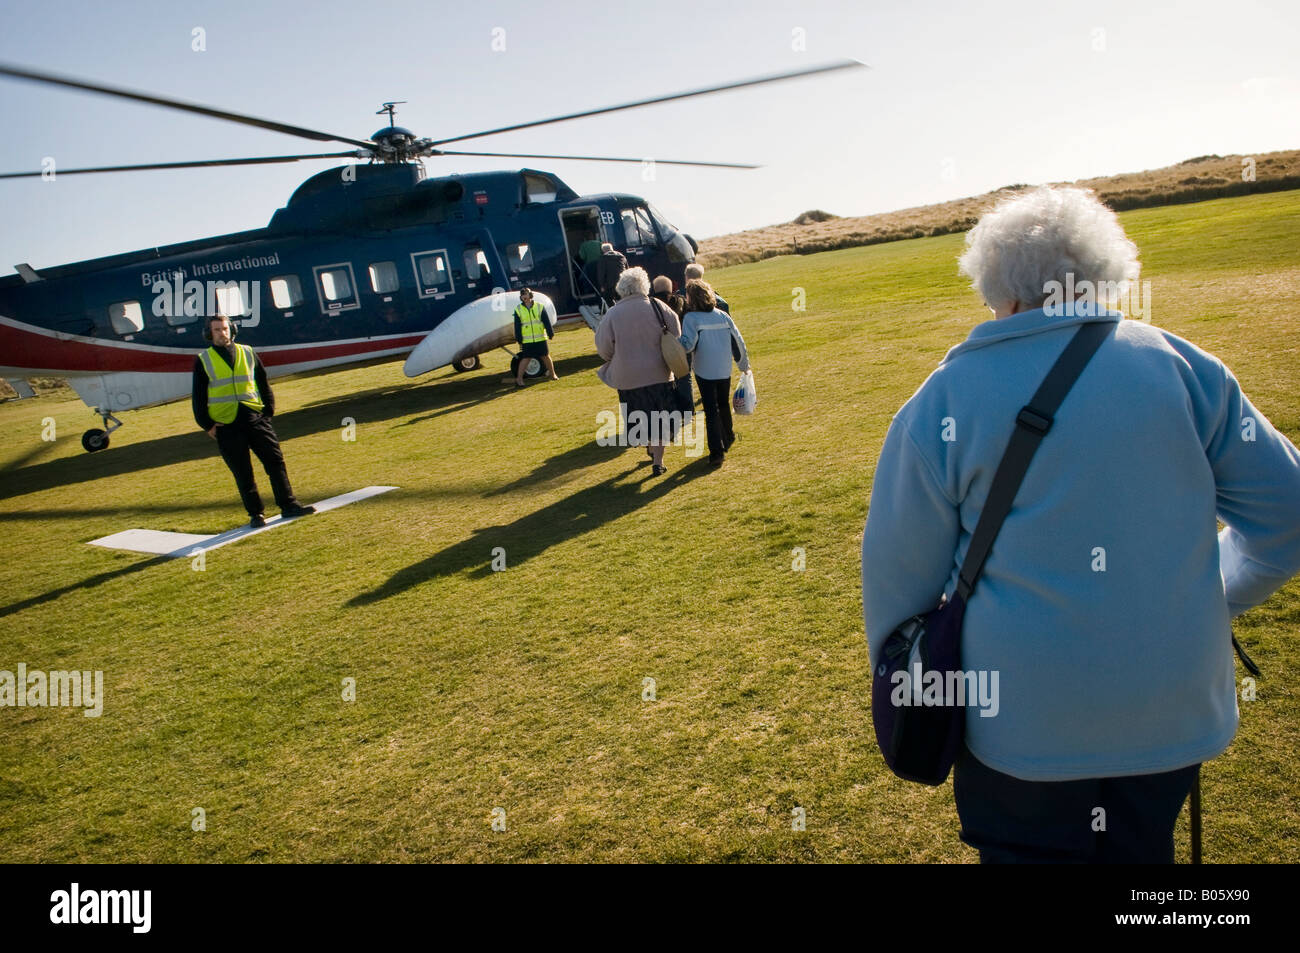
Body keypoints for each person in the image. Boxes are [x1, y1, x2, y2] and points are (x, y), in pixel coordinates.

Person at [861, 185, 1300, 863]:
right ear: (1102, 276)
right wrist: (1208, 593)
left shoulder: (941, 398)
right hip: (1173, 716)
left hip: (1019, 732)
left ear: (997, 291)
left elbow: (898, 595)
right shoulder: (1185, 368)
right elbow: (1288, 518)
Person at [193, 313, 315, 528]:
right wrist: (207, 425)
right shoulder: (204, 360)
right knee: (243, 472)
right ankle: (256, 514)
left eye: (224, 328)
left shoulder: (247, 352)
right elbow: (199, 396)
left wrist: (268, 411)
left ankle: (289, 505)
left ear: (232, 329)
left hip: (255, 418)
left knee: (275, 462)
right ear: (209, 334)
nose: (222, 333)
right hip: (226, 424)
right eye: (217, 330)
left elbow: (262, 382)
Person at [593, 267, 681, 476]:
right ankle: (658, 460)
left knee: (641, 420)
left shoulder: (612, 314)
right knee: (660, 420)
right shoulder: (658, 306)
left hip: (628, 378)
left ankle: (650, 447)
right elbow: (676, 335)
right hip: (659, 373)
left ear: (621, 288)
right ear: (645, 285)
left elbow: (604, 350)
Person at [679, 279, 749, 468]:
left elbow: (688, 344)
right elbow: (738, 341)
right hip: (723, 367)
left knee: (711, 410)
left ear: (691, 298)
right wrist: (743, 364)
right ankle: (728, 436)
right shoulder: (722, 315)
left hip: (704, 369)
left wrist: (674, 342)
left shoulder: (691, 318)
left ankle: (716, 452)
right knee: (723, 404)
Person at [653, 275, 692, 432]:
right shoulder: (680, 301)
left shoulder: (652, 304)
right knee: (684, 377)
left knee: (667, 381)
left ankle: (672, 412)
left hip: (661, 348)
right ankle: (688, 410)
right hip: (680, 346)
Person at [512, 287, 558, 386]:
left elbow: (546, 321)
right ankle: (519, 379)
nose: (524, 296)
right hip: (527, 340)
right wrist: (519, 338)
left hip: (540, 337)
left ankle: (553, 374)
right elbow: (517, 326)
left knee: (546, 356)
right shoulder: (518, 309)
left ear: (531, 295)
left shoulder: (539, 306)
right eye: (522, 295)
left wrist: (550, 332)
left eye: (526, 294)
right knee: (526, 358)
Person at [596, 242, 628, 307]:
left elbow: (601, 274)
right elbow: (627, 270)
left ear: (603, 251)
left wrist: (602, 285)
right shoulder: (622, 256)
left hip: (610, 285)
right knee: (623, 300)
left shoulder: (603, 258)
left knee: (608, 299)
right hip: (622, 283)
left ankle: (614, 311)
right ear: (612, 249)